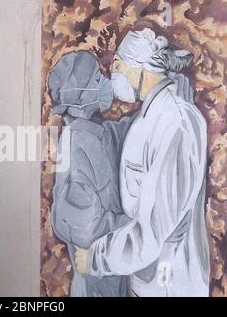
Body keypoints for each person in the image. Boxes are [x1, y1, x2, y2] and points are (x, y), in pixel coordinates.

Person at [74, 28, 209, 297]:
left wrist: (96, 258)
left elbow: (153, 227)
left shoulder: (174, 124)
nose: (115, 75)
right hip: (147, 281)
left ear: (142, 68)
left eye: (119, 65)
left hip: (171, 286)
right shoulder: (150, 118)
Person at [49, 51, 135, 297]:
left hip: (114, 273)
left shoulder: (99, 133)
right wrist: (134, 226)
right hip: (95, 284)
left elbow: (123, 131)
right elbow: (84, 226)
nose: (104, 83)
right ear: (81, 95)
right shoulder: (74, 145)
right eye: (97, 79)